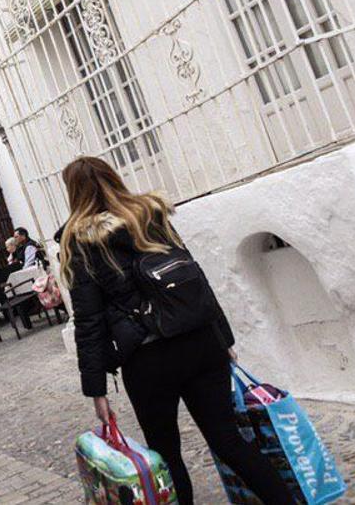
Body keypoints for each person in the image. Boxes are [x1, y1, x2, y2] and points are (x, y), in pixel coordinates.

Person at [60, 156, 294, 505]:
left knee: (166, 453)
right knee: (229, 441)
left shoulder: (79, 241)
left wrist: (97, 391)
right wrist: (222, 337)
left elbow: (89, 322)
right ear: (114, 177)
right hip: (200, 343)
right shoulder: (150, 215)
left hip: (148, 358)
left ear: (73, 193)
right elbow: (195, 277)